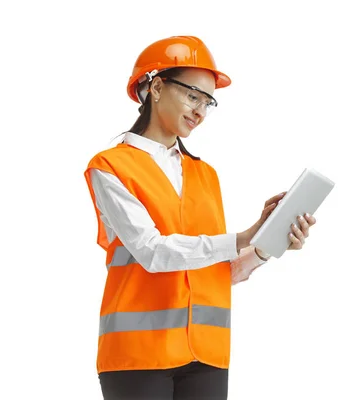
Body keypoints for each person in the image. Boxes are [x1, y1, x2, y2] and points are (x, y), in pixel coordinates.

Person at [83, 35, 317, 400]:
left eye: (208, 102)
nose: (200, 112)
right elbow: (153, 252)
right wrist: (242, 236)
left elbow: (213, 273)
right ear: (156, 87)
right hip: (139, 358)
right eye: (193, 96)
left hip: (207, 353)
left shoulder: (205, 175)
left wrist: (266, 245)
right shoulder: (111, 167)